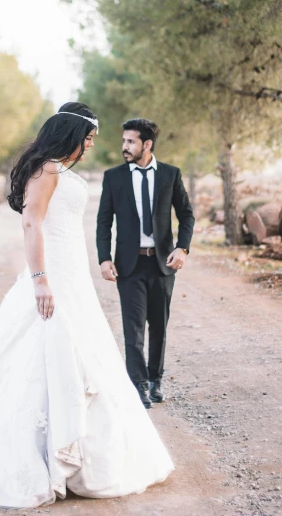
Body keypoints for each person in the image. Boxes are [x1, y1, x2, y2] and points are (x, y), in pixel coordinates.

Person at [0, 102, 173, 509]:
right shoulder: (46, 170)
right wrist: (40, 281)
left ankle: (76, 457)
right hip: (53, 275)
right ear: (70, 135)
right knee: (51, 357)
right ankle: (50, 460)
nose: (91, 147)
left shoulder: (58, 169)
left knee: (83, 357)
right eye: (89, 139)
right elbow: (32, 223)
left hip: (73, 275)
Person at [96, 118, 195, 409]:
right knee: (133, 328)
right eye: (124, 141)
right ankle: (137, 385)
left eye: (131, 141)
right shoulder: (114, 177)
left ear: (147, 144)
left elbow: (186, 215)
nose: (124, 146)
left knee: (159, 327)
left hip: (163, 264)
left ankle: (155, 380)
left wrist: (183, 249)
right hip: (129, 265)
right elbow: (104, 221)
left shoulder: (170, 175)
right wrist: (104, 258)